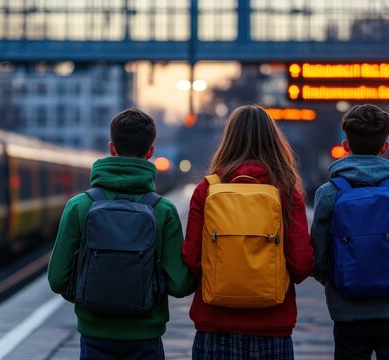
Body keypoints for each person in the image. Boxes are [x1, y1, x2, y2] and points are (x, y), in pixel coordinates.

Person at [47, 109, 195, 360]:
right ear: (150, 153)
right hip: (145, 339)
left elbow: (57, 279)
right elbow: (180, 285)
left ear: (111, 148)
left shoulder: (79, 206)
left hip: (95, 337)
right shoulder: (163, 210)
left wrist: (89, 294)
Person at [182, 105, 315, 360]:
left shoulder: (207, 190)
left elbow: (191, 257)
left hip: (215, 326)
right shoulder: (286, 191)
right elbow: (301, 265)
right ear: (274, 141)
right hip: (272, 329)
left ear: (229, 140)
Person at [311, 104, 389, 360]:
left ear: (346, 146)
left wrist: (342, 285)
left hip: (347, 313)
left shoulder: (328, 194)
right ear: (384, 147)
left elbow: (318, 260)